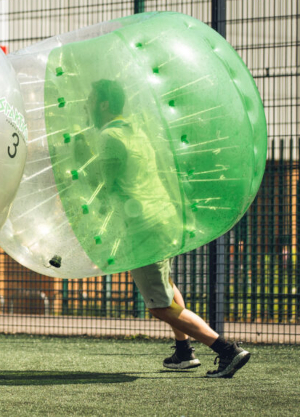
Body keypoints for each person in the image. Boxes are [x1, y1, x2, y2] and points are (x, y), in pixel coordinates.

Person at [80, 79, 250, 378]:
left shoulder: (110, 136)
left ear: (104, 104)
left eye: (91, 98)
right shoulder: (136, 132)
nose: (87, 104)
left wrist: (82, 163)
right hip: (161, 217)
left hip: (141, 226)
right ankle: (184, 353)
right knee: (168, 288)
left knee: (160, 306)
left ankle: (226, 350)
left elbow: (105, 188)